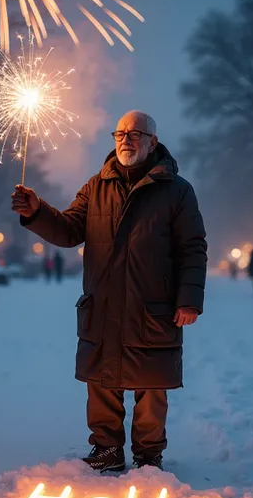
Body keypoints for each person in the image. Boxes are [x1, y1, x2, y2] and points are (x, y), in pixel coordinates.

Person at [12, 111, 207, 473]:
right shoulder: (96, 186)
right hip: (102, 304)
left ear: (153, 141)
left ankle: (148, 454)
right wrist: (38, 212)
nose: (126, 140)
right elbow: (69, 230)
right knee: (102, 380)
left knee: (151, 384)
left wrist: (189, 299)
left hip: (153, 306)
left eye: (135, 134)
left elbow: (192, 247)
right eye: (120, 133)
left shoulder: (177, 191)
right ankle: (107, 448)